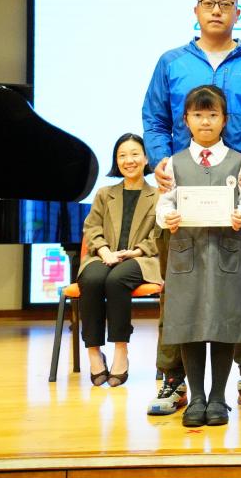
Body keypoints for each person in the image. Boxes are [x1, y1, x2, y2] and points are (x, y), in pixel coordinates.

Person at [142, 0, 241, 416]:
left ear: (238, 12)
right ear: (196, 10)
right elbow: (154, 119)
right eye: (209, 3)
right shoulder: (172, 62)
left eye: (226, 4)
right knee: (177, 289)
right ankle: (173, 380)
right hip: (182, 194)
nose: (217, 10)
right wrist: (161, 163)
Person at [155, 85, 241, 427]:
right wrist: (167, 217)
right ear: (186, 119)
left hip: (225, 253)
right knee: (190, 324)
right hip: (187, 254)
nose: (205, 122)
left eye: (212, 115)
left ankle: (217, 398)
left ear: (224, 119)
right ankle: (197, 398)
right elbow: (163, 205)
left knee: (222, 324)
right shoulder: (172, 164)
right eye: (198, 115)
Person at [79, 133, 161, 387]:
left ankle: (120, 351)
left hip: (142, 258)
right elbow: (91, 227)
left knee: (116, 280)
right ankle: (94, 353)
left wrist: (135, 252)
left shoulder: (158, 195)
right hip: (103, 255)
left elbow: (160, 234)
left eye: (135, 154)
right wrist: (104, 251)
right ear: (116, 161)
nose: (129, 160)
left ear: (146, 159)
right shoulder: (105, 194)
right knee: (91, 280)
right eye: (122, 155)